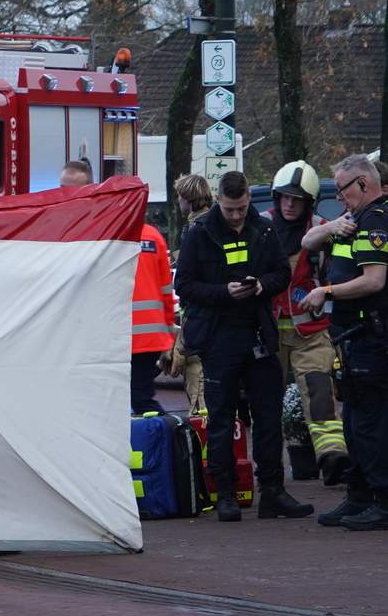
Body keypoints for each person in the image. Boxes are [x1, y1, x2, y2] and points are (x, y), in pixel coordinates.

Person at [175, 171, 311, 521]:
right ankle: (226, 495)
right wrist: (224, 293)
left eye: (241, 208)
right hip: (219, 338)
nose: (236, 216)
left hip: (258, 335)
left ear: (249, 199)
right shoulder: (201, 233)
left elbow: (281, 273)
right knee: (221, 417)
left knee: (268, 416)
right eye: (230, 209)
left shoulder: (262, 229)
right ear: (218, 199)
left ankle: (273, 493)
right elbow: (185, 285)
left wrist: (261, 286)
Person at [300, 154, 388, 530]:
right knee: (353, 422)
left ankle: (382, 502)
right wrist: (333, 225)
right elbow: (308, 240)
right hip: (352, 340)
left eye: (342, 190)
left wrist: (327, 292)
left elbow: (373, 281)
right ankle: (359, 496)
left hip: (371, 339)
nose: (340, 197)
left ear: (364, 185)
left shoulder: (375, 220)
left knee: (371, 423)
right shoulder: (353, 219)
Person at [59, 163, 175, 414]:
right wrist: (169, 334)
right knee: (142, 400)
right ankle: (158, 446)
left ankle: (148, 447)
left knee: (110, 404)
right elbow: (167, 292)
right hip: (147, 338)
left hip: (113, 336)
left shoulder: (104, 235)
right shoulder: (153, 237)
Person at [262, 161, 351, 484]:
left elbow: (339, 274)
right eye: (284, 197)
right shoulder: (260, 228)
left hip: (311, 333)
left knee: (320, 393)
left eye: (297, 199)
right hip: (267, 335)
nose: (289, 204)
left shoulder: (323, 230)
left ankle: (332, 459)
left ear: (308, 202)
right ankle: (269, 470)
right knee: (265, 403)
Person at [168, 174, 213, 412]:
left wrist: (182, 346)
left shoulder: (197, 229)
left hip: (199, 319)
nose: (177, 200)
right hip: (209, 319)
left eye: (178, 196)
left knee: (199, 384)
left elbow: (191, 281)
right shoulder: (213, 223)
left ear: (187, 198)